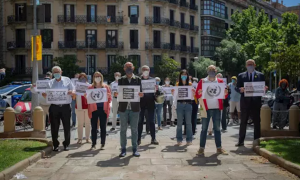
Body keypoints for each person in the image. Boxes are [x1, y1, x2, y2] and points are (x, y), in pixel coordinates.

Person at [31, 66, 75, 151]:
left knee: (66, 126)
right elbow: (43, 92)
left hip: (65, 107)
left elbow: (74, 91)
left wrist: (71, 92)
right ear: (52, 74)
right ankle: (55, 144)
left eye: (58, 72)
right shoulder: (49, 83)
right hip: (54, 107)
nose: (56, 73)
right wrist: (43, 94)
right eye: (54, 72)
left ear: (61, 72)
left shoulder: (67, 80)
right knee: (54, 127)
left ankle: (66, 144)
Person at [196, 65, 228, 155]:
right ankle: (201, 148)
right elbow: (198, 95)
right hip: (205, 108)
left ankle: (219, 148)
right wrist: (199, 93)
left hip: (217, 108)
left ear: (216, 71)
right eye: (210, 69)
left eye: (213, 70)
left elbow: (224, 95)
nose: (211, 71)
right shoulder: (202, 81)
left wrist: (225, 93)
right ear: (207, 71)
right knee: (204, 129)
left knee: (217, 129)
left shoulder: (220, 82)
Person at [115, 62, 143, 157]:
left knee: (134, 130)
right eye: (126, 67)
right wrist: (116, 94)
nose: (128, 68)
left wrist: (141, 94)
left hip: (135, 108)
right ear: (124, 68)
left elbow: (141, 92)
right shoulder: (121, 80)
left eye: (130, 67)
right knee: (123, 129)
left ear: (133, 68)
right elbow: (119, 92)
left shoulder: (138, 79)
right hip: (123, 108)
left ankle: (135, 149)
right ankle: (123, 149)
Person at [235, 59, 266, 147]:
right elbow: (237, 88)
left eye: (251, 64)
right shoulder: (241, 76)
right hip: (245, 102)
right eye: (248, 64)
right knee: (243, 122)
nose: (250, 66)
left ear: (255, 65)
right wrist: (240, 89)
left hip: (256, 102)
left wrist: (264, 89)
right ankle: (241, 141)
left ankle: (256, 141)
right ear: (246, 66)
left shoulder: (260, 75)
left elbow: (263, 87)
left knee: (256, 122)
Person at [88, 72, 111, 150]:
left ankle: (102, 143)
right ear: (93, 78)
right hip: (94, 109)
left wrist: (108, 96)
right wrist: (86, 97)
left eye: (99, 76)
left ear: (101, 77)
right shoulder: (90, 87)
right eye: (95, 76)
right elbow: (88, 99)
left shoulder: (106, 87)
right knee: (93, 127)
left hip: (103, 109)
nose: (97, 77)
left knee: (103, 127)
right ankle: (93, 143)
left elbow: (110, 98)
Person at [138, 65, 160, 145]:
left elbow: (156, 94)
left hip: (151, 103)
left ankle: (153, 138)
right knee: (140, 122)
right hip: (140, 104)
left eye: (147, 70)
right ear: (141, 71)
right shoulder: (138, 80)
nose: (145, 71)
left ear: (149, 71)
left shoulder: (153, 80)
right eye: (144, 70)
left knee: (151, 121)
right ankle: (138, 139)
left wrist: (157, 90)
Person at [172, 69, 195, 145]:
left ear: (187, 76)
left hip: (188, 104)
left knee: (188, 123)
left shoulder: (190, 84)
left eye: (185, 75)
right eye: (182, 75)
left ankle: (189, 139)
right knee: (179, 123)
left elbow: (192, 97)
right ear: (180, 76)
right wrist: (173, 93)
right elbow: (175, 96)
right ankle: (179, 139)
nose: (184, 76)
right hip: (180, 104)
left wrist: (193, 93)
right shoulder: (178, 84)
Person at [73, 73, 90, 144]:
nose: (82, 79)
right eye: (81, 78)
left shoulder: (89, 86)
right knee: (80, 123)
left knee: (88, 123)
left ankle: (87, 138)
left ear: (86, 78)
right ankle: (79, 138)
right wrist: (74, 94)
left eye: (84, 77)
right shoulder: (76, 86)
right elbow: (73, 98)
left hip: (88, 107)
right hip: (79, 107)